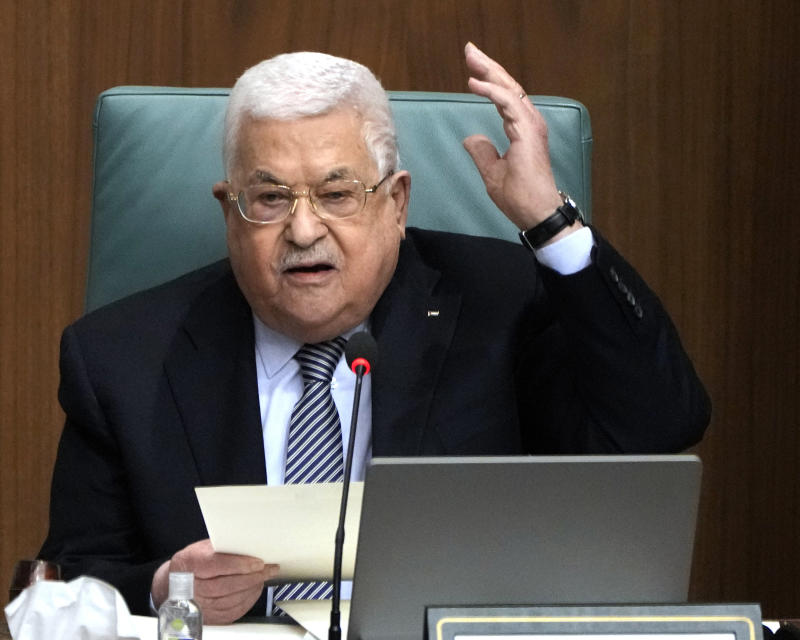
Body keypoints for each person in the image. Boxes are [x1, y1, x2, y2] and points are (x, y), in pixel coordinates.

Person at [39, 44, 710, 623]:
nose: (303, 232)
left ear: (397, 203)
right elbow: (66, 582)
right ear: (230, 211)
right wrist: (164, 589)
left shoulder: (504, 305)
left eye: (338, 195)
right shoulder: (121, 359)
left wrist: (549, 224)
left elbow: (657, 426)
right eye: (270, 199)